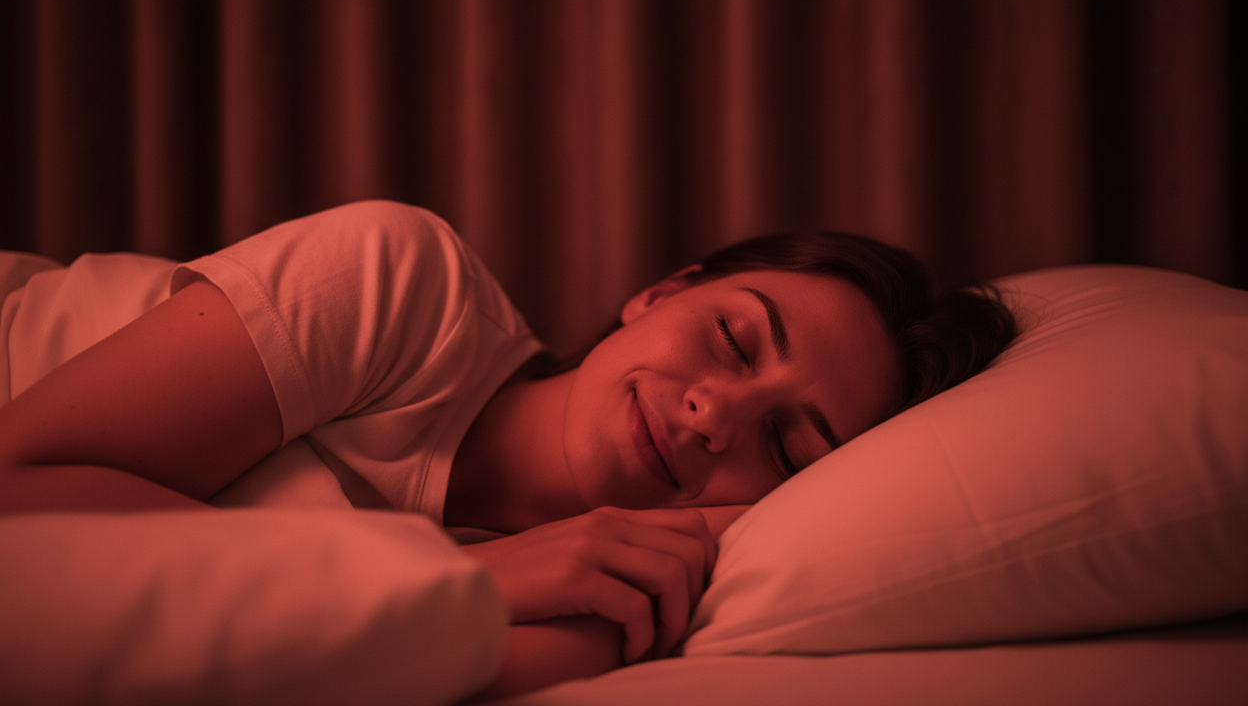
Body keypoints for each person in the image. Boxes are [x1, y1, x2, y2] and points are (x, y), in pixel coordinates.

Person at [0, 200, 1015, 698]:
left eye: (788, 445)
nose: (716, 416)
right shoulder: (403, 283)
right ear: (662, 291)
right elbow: (18, 487)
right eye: (735, 338)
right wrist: (462, 573)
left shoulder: (628, 593)